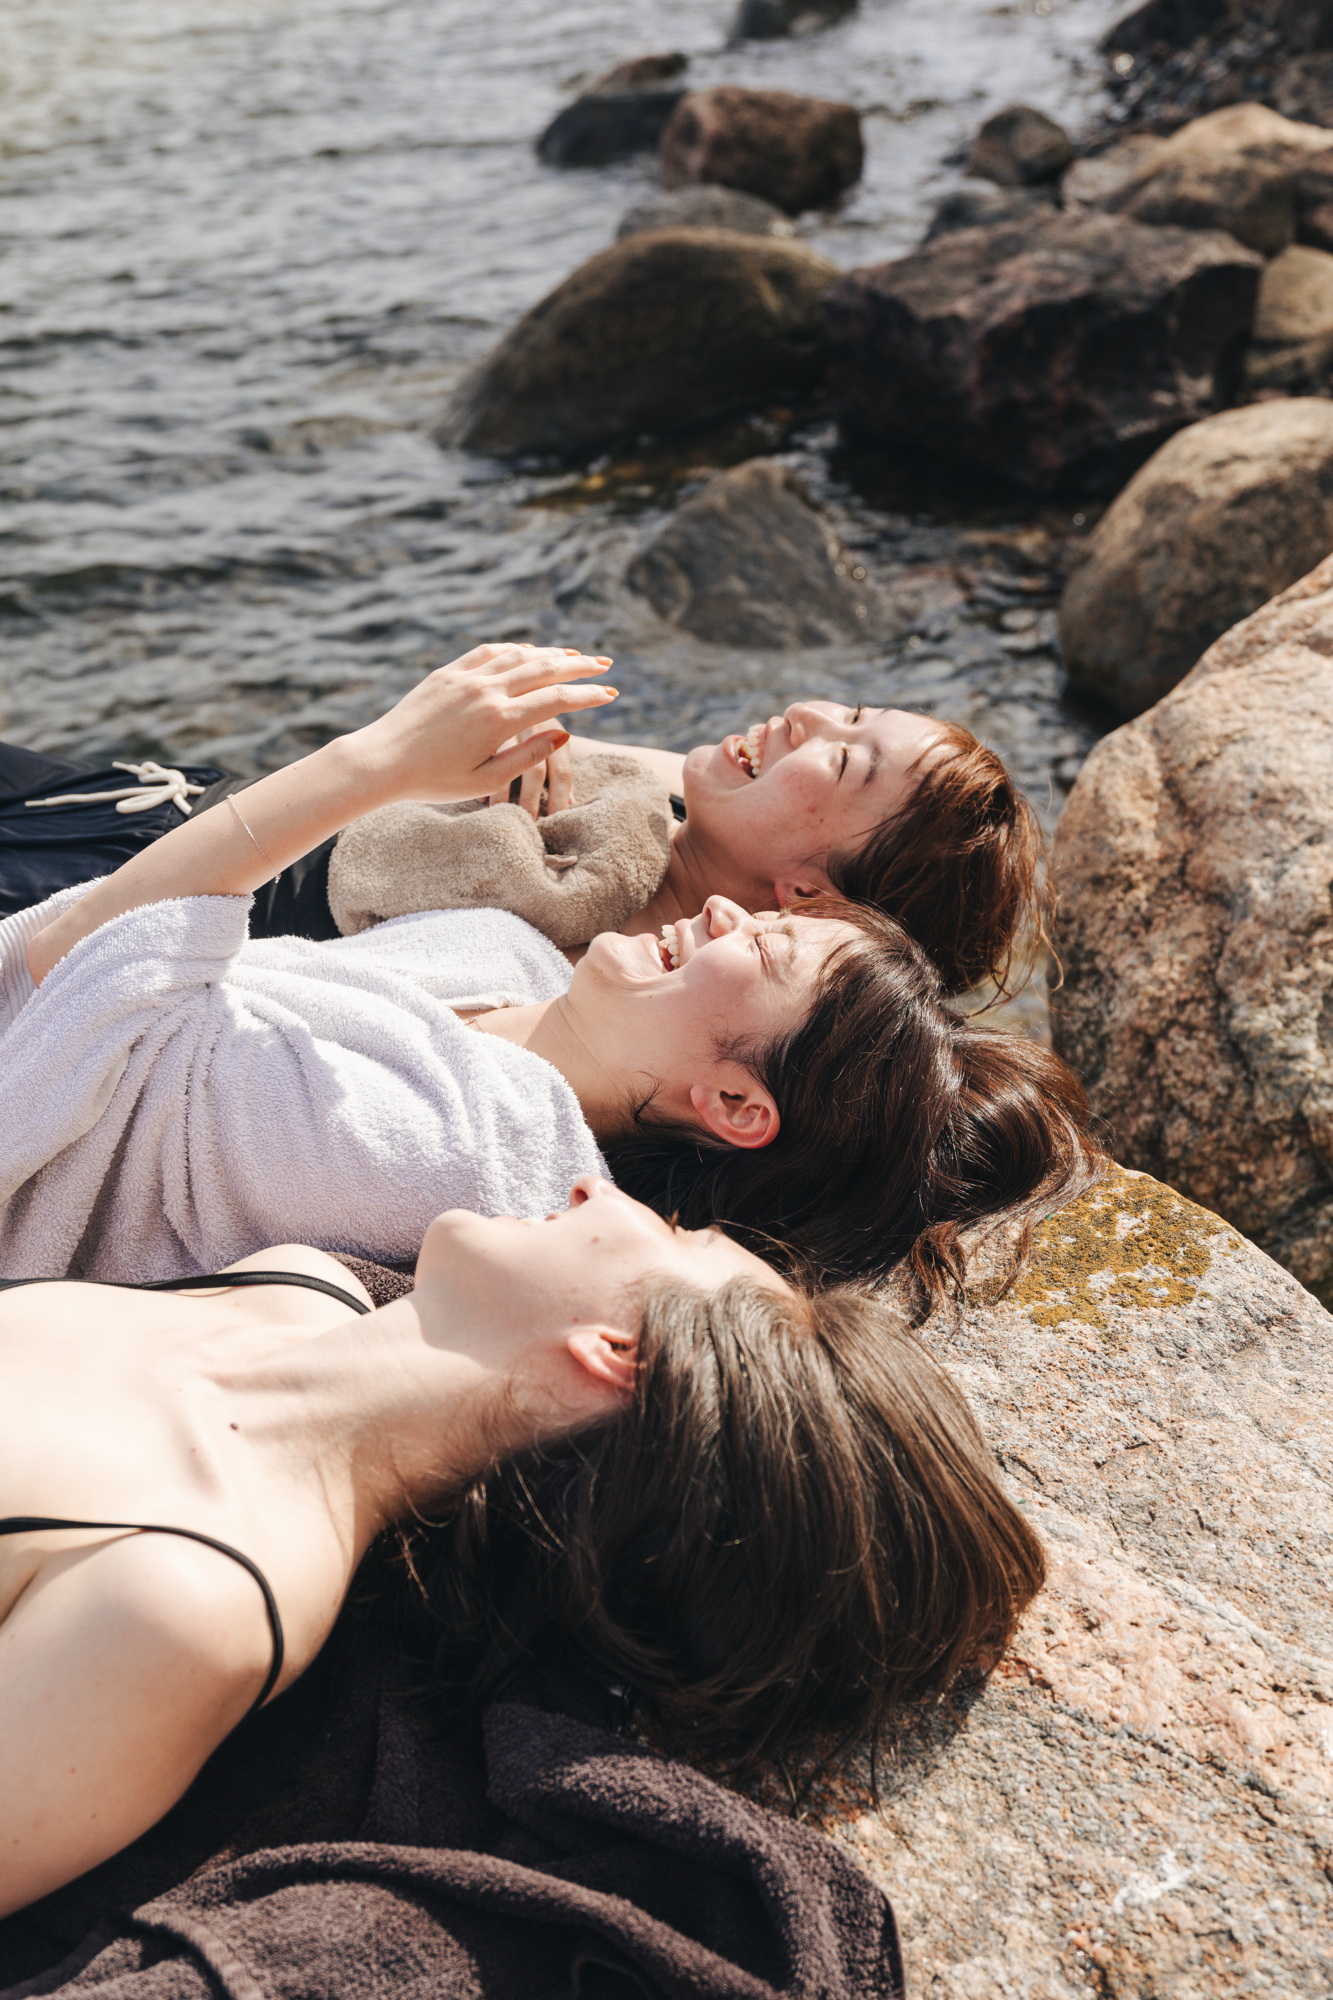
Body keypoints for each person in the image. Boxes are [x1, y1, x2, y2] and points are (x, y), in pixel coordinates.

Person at [0, 1177, 1047, 1918]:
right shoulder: (289, 1283)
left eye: (672, 1227)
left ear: (617, 1353)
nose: (601, 1188)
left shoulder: (189, 1597)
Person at [0, 644, 1097, 1291]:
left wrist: (384, 759)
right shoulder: (530, 951)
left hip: (114, 935)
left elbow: (86, 977)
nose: (806, 711)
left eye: (844, 752)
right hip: (154, 865)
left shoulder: (460, 1148)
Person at [0, 684, 1043, 999]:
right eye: (854, 709)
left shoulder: (608, 977)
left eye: (849, 759)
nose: (810, 713)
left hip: (126, 910)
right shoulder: (665, 806)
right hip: (154, 806)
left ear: (812, 897)